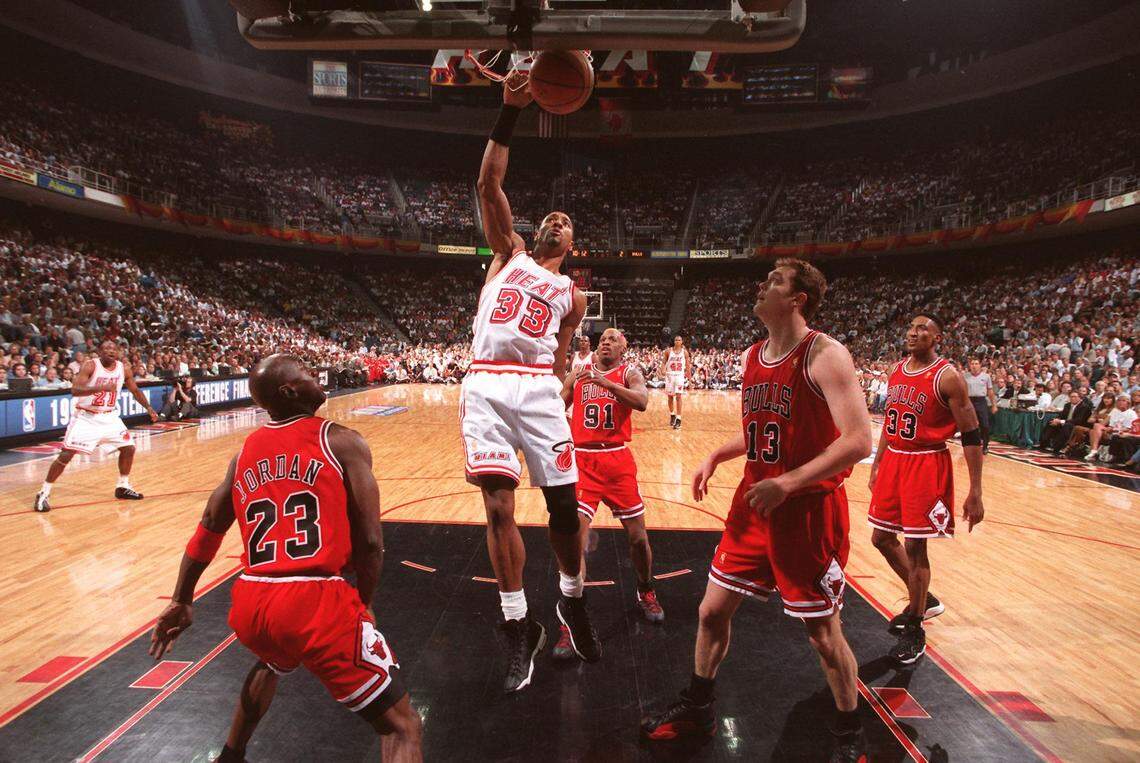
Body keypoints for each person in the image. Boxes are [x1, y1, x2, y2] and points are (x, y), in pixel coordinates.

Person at [641, 259, 872, 762]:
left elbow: (858, 440)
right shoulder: (752, 356)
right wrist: (715, 456)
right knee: (710, 611)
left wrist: (787, 483)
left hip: (807, 512)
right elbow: (760, 429)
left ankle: (850, 729)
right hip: (755, 505)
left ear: (798, 299)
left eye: (775, 282)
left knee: (823, 635)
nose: (762, 285)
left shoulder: (826, 355)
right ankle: (699, 705)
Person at [147, 355, 422, 762]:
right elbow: (369, 542)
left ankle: (231, 755)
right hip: (313, 599)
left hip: (253, 603)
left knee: (274, 658)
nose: (317, 377)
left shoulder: (243, 456)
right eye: (308, 373)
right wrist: (363, 605)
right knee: (403, 726)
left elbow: (208, 526)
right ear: (290, 391)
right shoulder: (341, 440)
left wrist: (183, 598)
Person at [463, 72, 597, 693]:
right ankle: (519, 622)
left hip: (539, 388)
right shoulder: (507, 252)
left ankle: (572, 597)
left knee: (564, 506)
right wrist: (509, 110)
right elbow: (489, 182)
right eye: (551, 215)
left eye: (566, 221)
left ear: (572, 244)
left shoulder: (573, 293)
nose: (556, 220)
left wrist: (566, 387)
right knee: (497, 504)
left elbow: (566, 354)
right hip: (487, 383)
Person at [866, 315, 986, 666]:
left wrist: (975, 490)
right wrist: (877, 463)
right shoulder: (898, 369)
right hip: (895, 462)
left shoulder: (948, 377)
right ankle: (925, 599)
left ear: (937, 337)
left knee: (916, 547)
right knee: (881, 539)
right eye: (911, 328)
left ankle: (915, 627)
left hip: (926, 463)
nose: (914, 332)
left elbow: (972, 433)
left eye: (923, 329)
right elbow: (890, 420)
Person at [557, 327, 663, 656]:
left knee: (638, 538)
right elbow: (556, 407)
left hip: (617, 461)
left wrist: (609, 385)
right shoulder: (580, 372)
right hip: (583, 462)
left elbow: (642, 401)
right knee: (574, 543)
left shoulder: (629, 371)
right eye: (603, 339)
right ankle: (571, 621)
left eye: (613, 339)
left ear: (623, 348)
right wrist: (568, 385)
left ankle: (645, 589)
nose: (606, 342)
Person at [33, 339, 158, 512]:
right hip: (86, 417)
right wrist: (101, 388)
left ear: (118, 352)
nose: (111, 350)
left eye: (114, 348)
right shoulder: (91, 366)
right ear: (100, 351)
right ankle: (43, 492)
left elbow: (135, 390)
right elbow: (75, 390)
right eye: (106, 348)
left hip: (110, 417)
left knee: (129, 447)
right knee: (66, 455)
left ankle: (122, 486)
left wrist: (149, 408)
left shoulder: (124, 368)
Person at [660, 336, 691, 429]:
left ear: (682, 342)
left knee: (678, 396)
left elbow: (688, 366)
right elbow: (663, 362)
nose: (677, 341)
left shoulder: (685, 352)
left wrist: (690, 380)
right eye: (676, 340)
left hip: (679, 376)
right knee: (670, 397)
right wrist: (662, 370)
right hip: (670, 375)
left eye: (679, 340)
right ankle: (672, 414)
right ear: (674, 341)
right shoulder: (668, 351)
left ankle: (679, 418)